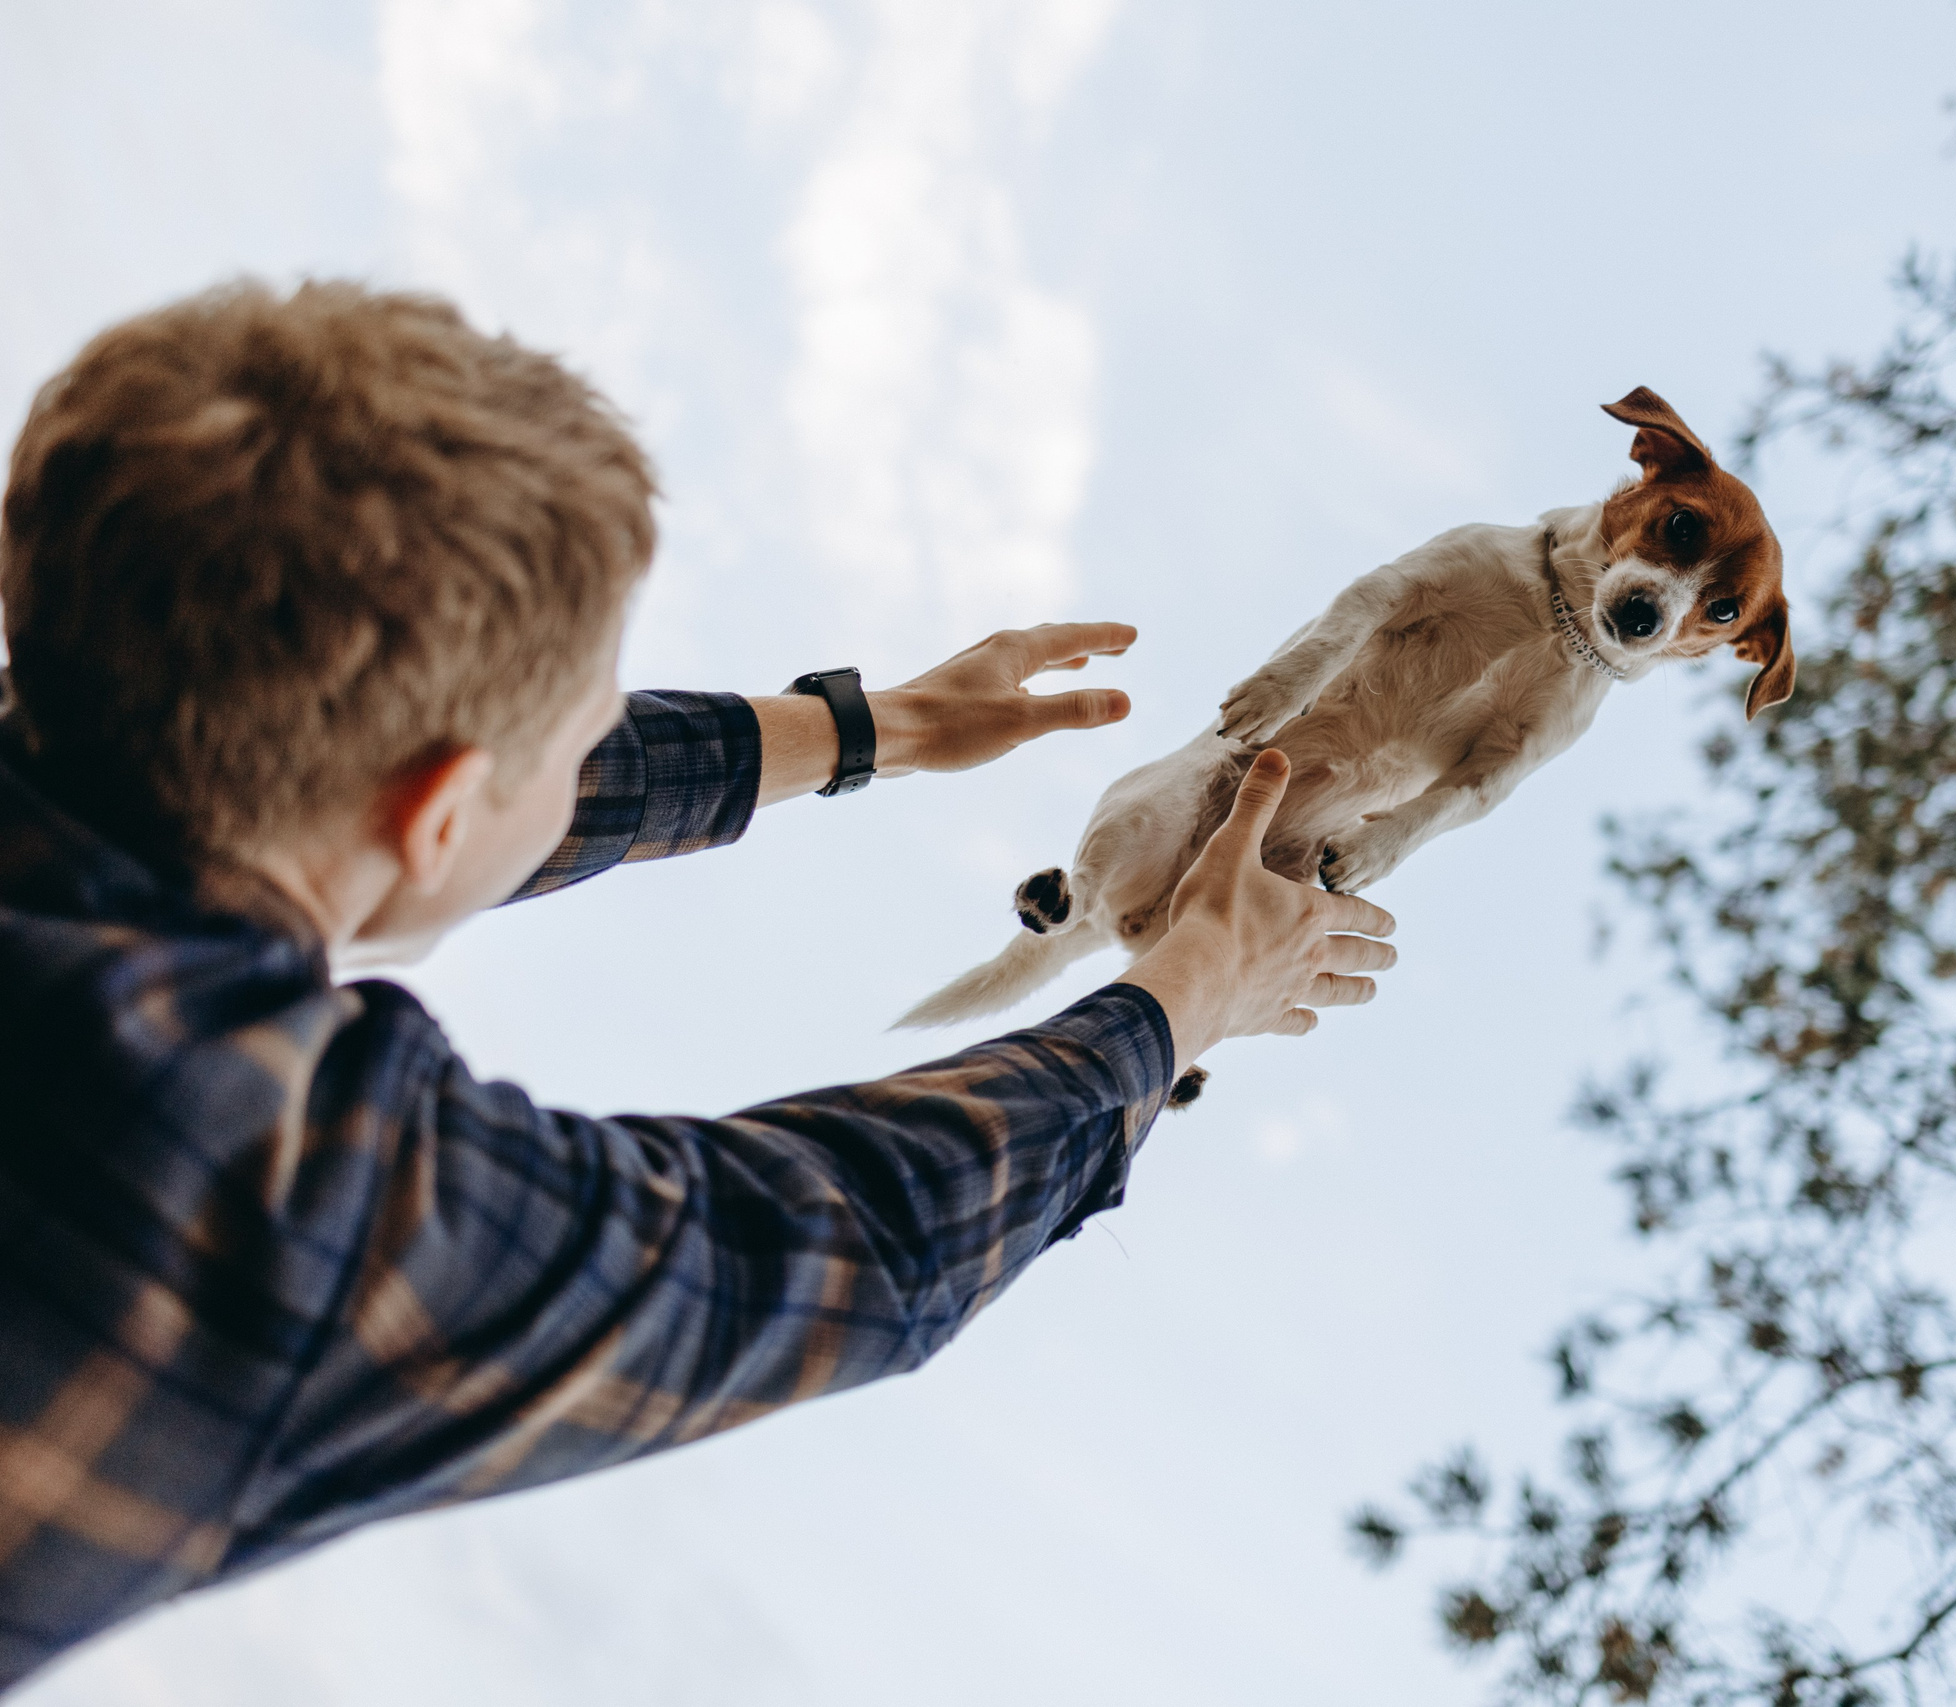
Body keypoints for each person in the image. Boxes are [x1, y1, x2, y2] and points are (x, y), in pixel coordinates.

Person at [0, 279, 1399, 1689]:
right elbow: (825, 1237)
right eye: (581, 717)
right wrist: (1183, 996)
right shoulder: (271, 1204)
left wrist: (878, 727)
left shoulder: (88, 720)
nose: (591, 741)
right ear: (439, 812)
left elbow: (348, 746)